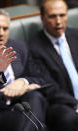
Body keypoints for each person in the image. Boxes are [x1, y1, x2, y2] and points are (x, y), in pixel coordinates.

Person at [0, 8, 48, 131]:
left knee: (35, 97)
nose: (1, 33)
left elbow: (40, 78)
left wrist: (22, 82)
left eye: (5, 28)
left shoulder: (20, 47)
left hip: (25, 107)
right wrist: (8, 93)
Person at [29, 0, 78, 131]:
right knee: (68, 118)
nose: (58, 21)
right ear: (42, 18)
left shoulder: (76, 35)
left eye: (62, 15)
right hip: (61, 104)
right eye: (52, 16)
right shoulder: (34, 47)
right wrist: (76, 104)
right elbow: (48, 87)